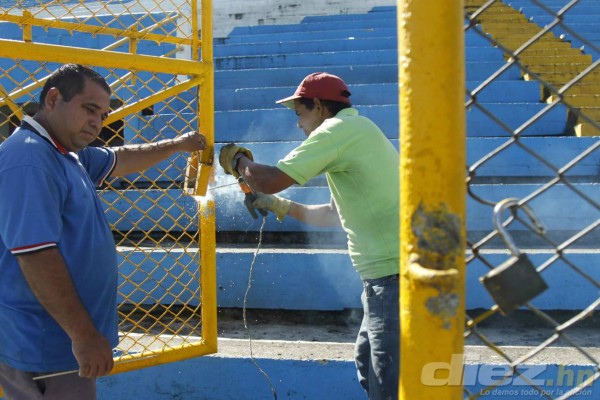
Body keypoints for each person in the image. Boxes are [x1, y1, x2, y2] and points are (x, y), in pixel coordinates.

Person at [0, 63, 206, 400]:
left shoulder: (66, 153)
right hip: (45, 344)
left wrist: (177, 145)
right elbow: (35, 256)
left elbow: (121, 158)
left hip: (58, 341)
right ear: (53, 99)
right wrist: (83, 336)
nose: (98, 121)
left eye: (104, 113)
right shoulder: (29, 158)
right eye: (89, 109)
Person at [219, 72, 400, 400]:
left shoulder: (336, 131)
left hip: (391, 276)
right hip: (384, 276)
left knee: (386, 380)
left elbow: (269, 178)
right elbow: (332, 215)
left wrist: (238, 160)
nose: (299, 124)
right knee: (369, 364)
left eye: (300, 114)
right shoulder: (357, 129)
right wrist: (279, 205)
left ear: (318, 106)